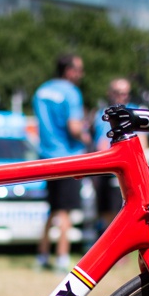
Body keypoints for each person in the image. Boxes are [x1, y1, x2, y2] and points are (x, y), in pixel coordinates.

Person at [33, 53, 90, 271]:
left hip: (46, 157)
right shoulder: (71, 92)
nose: (81, 74)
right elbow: (74, 128)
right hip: (67, 157)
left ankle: (42, 255)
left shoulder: (41, 90)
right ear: (69, 71)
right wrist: (86, 137)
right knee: (65, 210)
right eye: (79, 69)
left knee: (53, 208)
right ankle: (62, 257)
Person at [91, 77, 136, 235]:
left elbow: (141, 144)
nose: (122, 97)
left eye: (125, 93)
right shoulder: (102, 114)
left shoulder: (134, 112)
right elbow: (100, 143)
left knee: (121, 210)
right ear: (110, 93)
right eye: (118, 93)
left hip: (125, 168)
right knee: (105, 210)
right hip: (106, 168)